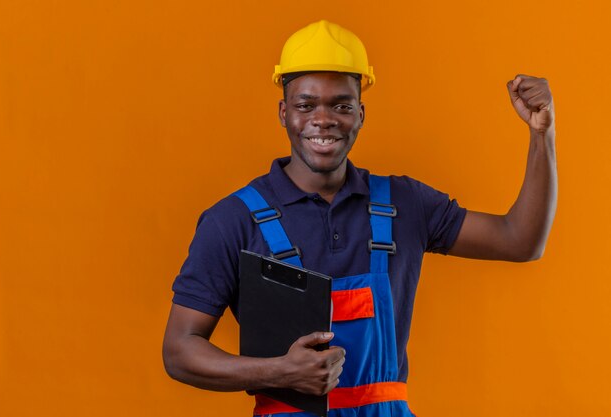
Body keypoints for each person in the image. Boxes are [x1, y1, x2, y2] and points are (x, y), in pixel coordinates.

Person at [162, 20, 557, 417]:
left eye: (341, 105)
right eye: (305, 105)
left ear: (360, 114)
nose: (323, 119)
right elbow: (180, 351)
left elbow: (520, 240)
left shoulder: (405, 203)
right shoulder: (232, 221)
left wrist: (543, 134)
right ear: (284, 113)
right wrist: (280, 371)